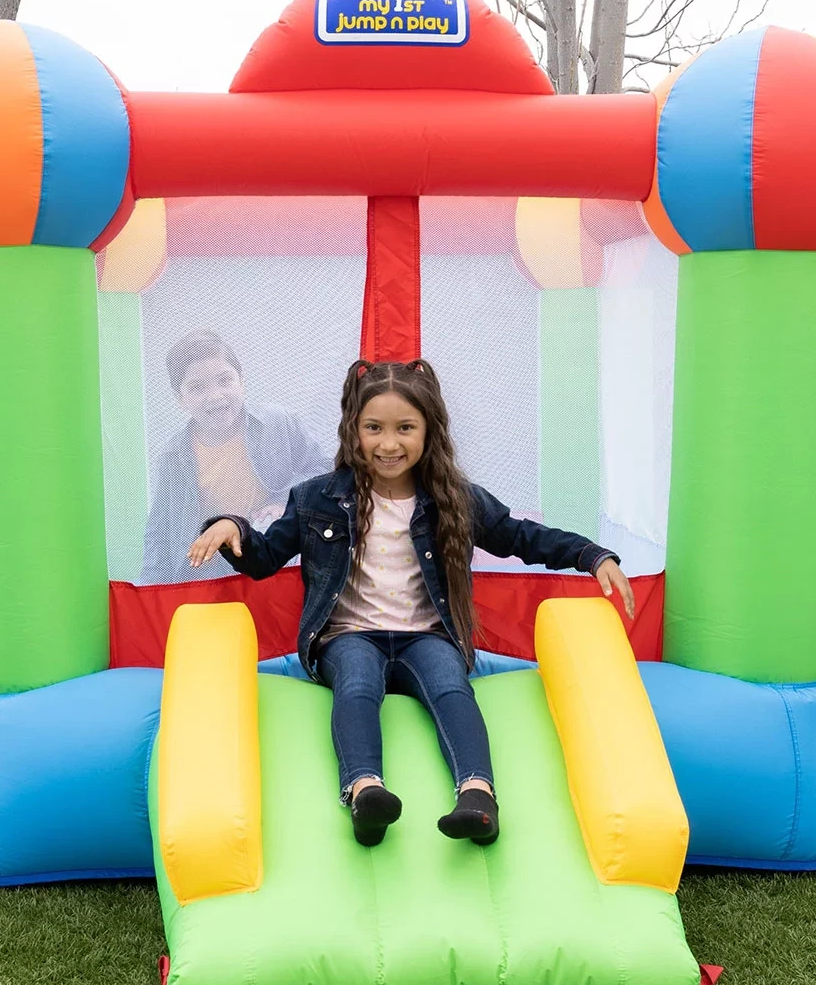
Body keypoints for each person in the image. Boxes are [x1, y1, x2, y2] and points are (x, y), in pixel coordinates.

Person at [186, 358, 635, 848]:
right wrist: (231, 526)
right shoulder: (318, 498)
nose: (388, 444)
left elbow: (520, 536)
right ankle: (365, 792)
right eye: (373, 428)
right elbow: (266, 556)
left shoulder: (454, 498)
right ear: (353, 430)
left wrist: (591, 555)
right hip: (348, 635)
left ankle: (478, 796)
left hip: (427, 634)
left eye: (405, 428)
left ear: (429, 430)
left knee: (450, 686)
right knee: (357, 683)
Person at [140, 329, 330, 585]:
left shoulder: (277, 422)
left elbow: (323, 470)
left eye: (225, 380)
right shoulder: (173, 456)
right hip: (211, 571)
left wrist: (283, 500)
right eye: (197, 387)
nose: (215, 395)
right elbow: (159, 532)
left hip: (273, 555)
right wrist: (149, 593)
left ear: (242, 381)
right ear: (180, 399)